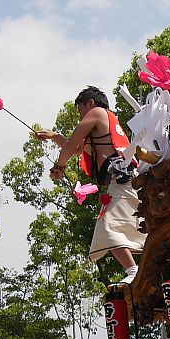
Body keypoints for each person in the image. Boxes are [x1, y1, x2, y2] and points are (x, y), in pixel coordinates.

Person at [38, 86, 143, 285]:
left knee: (107, 226)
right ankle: (134, 269)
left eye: (81, 111)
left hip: (121, 179)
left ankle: (133, 270)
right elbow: (78, 148)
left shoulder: (97, 113)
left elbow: (72, 145)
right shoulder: (107, 119)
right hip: (125, 179)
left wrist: (59, 166)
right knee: (115, 226)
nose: (81, 117)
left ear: (90, 103)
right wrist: (54, 136)